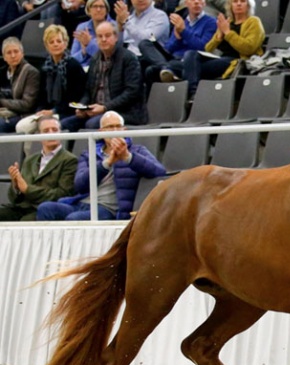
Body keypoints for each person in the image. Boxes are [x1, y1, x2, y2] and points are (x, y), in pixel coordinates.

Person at [37, 111, 166, 221]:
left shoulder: (137, 151)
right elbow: (79, 185)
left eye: (118, 127)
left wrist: (128, 157)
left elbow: (159, 171)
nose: (114, 131)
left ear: (124, 130)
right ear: (101, 131)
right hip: (83, 203)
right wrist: (106, 164)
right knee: (46, 208)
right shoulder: (89, 154)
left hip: (109, 209)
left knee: (74, 219)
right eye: (110, 127)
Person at [60, 21, 148, 131]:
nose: (103, 39)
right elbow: (88, 90)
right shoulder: (95, 59)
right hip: (98, 111)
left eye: (107, 35)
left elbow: (131, 92)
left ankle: (98, 149)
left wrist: (105, 107)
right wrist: (82, 106)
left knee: (92, 124)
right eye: (100, 36)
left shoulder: (129, 58)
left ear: (116, 37)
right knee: (64, 125)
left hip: (125, 112)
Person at [15, 24, 87, 150]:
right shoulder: (45, 67)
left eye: (59, 41)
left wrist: (53, 111)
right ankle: (31, 163)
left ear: (65, 43)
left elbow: (75, 98)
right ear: (47, 46)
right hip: (48, 112)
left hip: (66, 111)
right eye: (51, 42)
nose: (55, 44)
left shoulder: (73, 66)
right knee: (22, 126)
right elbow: (41, 96)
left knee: (46, 128)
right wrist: (41, 111)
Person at [0, 115, 77, 221]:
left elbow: (62, 194)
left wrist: (27, 189)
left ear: (61, 133)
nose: (51, 134)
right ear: (38, 135)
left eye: (54, 130)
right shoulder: (30, 160)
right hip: (23, 207)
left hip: (44, 208)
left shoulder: (70, 160)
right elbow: (14, 200)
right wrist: (16, 186)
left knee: (25, 221)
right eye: (46, 131)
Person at [181, 0, 263, 97]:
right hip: (221, 60)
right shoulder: (227, 22)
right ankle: (191, 89)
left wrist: (228, 33)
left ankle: (192, 93)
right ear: (230, 5)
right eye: (235, 1)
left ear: (249, 6)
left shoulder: (253, 21)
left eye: (243, 1)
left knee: (188, 68)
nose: (239, 4)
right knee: (190, 54)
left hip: (238, 61)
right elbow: (207, 49)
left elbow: (249, 48)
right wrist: (218, 37)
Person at [138, 0, 216, 89]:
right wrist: (177, 39)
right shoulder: (182, 22)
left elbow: (203, 47)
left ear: (204, 3)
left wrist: (184, 31)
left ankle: (167, 68)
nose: (196, 2)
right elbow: (168, 49)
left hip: (190, 62)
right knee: (144, 43)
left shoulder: (211, 22)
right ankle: (165, 67)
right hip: (173, 58)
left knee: (151, 70)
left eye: (200, 0)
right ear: (186, 3)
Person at [0, 38, 40, 133]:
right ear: (4, 57)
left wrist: (2, 102)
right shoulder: (8, 71)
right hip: (12, 112)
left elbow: (27, 105)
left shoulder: (31, 72)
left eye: (16, 51)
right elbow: (11, 94)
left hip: (25, 115)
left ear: (22, 53)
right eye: (9, 53)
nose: (13, 55)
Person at [70, 0, 115, 69]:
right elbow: (72, 59)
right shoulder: (82, 27)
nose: (98, 9)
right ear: (88, 10)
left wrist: (89, 44)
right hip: (84, 69)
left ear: (106, 10)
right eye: (95, 6)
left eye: (101, 6)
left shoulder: (113, 26)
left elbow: (108, 56)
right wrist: (83, 52)